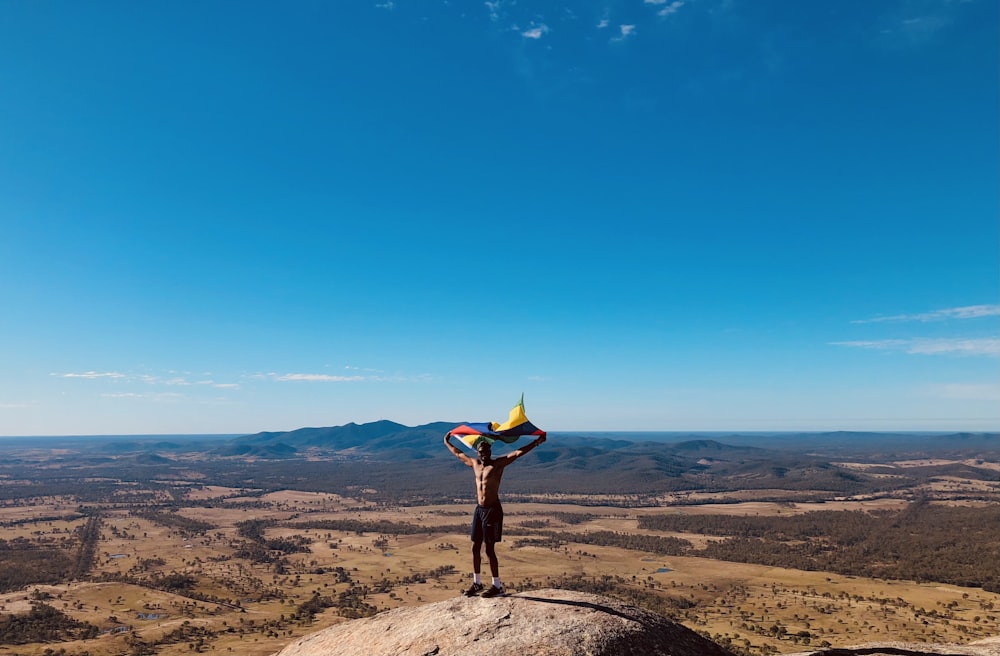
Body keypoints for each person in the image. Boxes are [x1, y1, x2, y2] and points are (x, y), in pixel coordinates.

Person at [443, 432, 547, 598]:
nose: (484, 454)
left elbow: (517, 453)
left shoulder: (498, 465)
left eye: (487, 451)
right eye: (481, 451)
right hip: (480, 509)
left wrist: (536, 442)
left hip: (492, 510)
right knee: (475, 546)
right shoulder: (475, 464)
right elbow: (458, 453)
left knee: (489, 549)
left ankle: (497, 586)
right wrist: (446, 441)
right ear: (478, 452)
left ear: (490, 452)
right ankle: (477, 583)